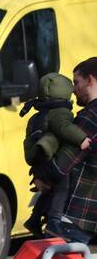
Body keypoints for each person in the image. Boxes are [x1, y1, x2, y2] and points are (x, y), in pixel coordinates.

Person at [21, 73, 88, 237]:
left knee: (48, 190)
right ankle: (54, 221)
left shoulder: (37, 115)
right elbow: (64, 128)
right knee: (62, 188)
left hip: (38, 160)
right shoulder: (59, 113)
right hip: (51, 159)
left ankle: (34, 218)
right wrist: (82, 139)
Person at [44, 57, 97, 245]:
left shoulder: (91, 115)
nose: (73, 90)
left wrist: (43, 178)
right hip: (91, 215)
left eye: (76, 82)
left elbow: (64, 162)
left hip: (75, 215)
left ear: (90, 80)